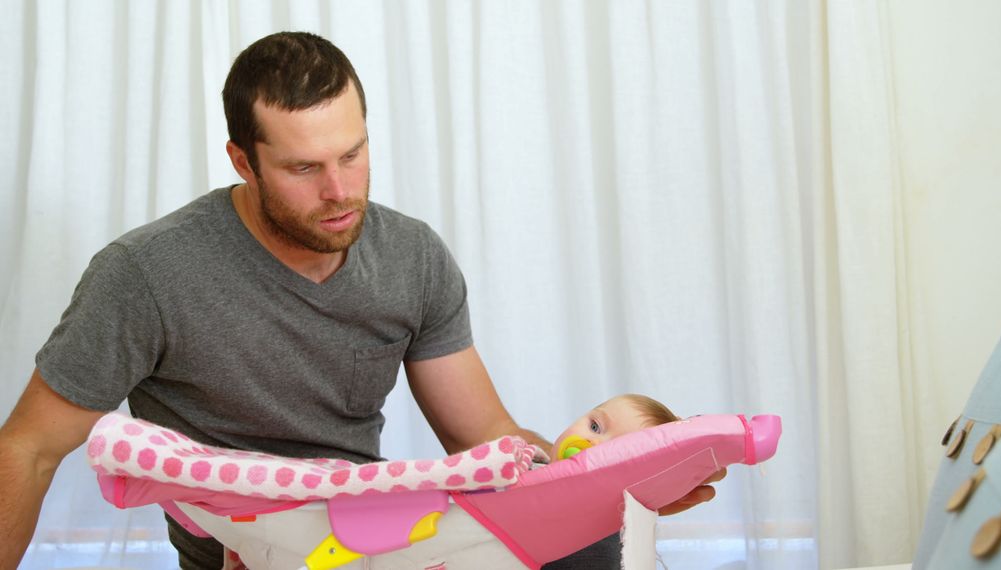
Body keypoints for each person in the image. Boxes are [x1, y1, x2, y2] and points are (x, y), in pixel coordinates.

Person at [0, 31, 723, 569]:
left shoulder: (410, 256)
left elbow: (487, 440)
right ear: (243, 162)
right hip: (245, 549)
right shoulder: (146, 274)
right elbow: (27, 450)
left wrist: (617, 477)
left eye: (353, 153)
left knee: (598, 548)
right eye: (304, 168)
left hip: (378, 538)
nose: (341, 191)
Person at [548, 393, 679, 461]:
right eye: (594, 427)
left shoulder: (599, 510)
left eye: (612, 452)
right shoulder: (529, 458)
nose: (594, 443)